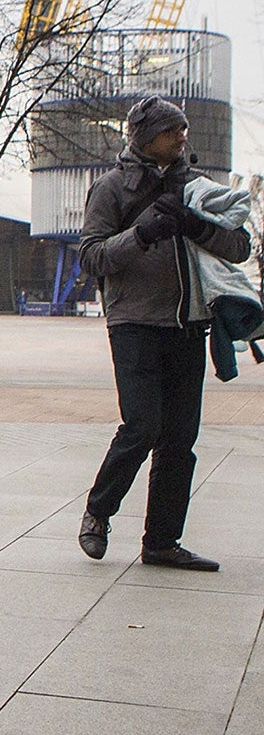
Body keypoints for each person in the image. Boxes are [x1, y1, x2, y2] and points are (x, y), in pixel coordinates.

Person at [77, 96, 252, 570]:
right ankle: (98, 511)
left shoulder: (197, 188)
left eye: (183, 129)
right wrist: (142, 234)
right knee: (141, 427)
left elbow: (239, 246)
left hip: (188, 326)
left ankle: (161, 543)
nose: (182, 137)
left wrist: (196, 225)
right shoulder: (111, 188)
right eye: (172, 130)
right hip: (133, 323)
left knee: (179, 439)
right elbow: (90, 256)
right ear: (144, 137)